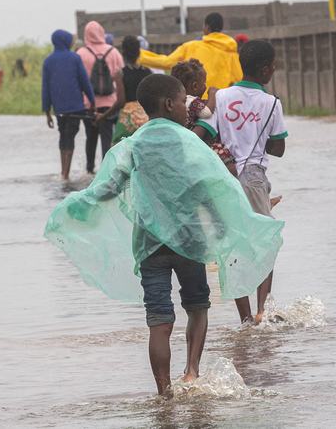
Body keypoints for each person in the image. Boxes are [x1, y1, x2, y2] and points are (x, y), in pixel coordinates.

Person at [44, 73, 284, 396]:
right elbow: (211, 186)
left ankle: (164, 393)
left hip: (150, 247)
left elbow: (107, 188)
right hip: (188, 242)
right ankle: (191, 373)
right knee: (197, 307)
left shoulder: (133, 145)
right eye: (184, 99)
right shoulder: (190, 143)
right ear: (169, 104)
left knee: (159, 320)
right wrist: (226, 223)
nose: (188, 106)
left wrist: (74, 206)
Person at [194, 39, 288, 325]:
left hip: (223, 177)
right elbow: (279, 147)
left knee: (231, 245)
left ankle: (245, 317)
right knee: (265, 241)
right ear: (264, 70)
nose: (273, 70)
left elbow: (203, 133)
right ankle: (263, 311)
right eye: (272, 66)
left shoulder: (221, 97)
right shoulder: (271, 103)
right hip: (255, 178)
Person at [139, 12, 242, 96]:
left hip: (195, 103)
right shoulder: (231, 51)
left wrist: (139, 56)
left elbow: (166, 62)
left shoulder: (191, 46)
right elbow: (239, 78)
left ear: (207, 27)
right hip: (219, 102)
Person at [41, 29, 95, 181]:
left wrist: (47, 112)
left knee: (63, 136)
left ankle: (63, 172)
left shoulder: (48, 61)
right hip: (75, 106)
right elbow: (84, 81)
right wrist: (92, 101)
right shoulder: (74, 58)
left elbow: (45, 88)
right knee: (70, 136)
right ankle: (66, 174)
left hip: (59, 108)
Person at [76, 21, 124, 173]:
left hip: (89, 104)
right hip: (110, 103)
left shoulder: (81, 54)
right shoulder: (113, 52)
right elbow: (121, 75)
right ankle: (107, 170)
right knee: (107, 137)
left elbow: (77, 80)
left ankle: (90, 169)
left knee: (90, 138)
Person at [112, 35, 152, 143]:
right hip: (146, 118)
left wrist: (104, 115)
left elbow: (120, 101)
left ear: (123, 53)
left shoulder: (120, 73)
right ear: (139, 52)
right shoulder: (147, 72)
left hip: (128, 119)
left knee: (118, 147)